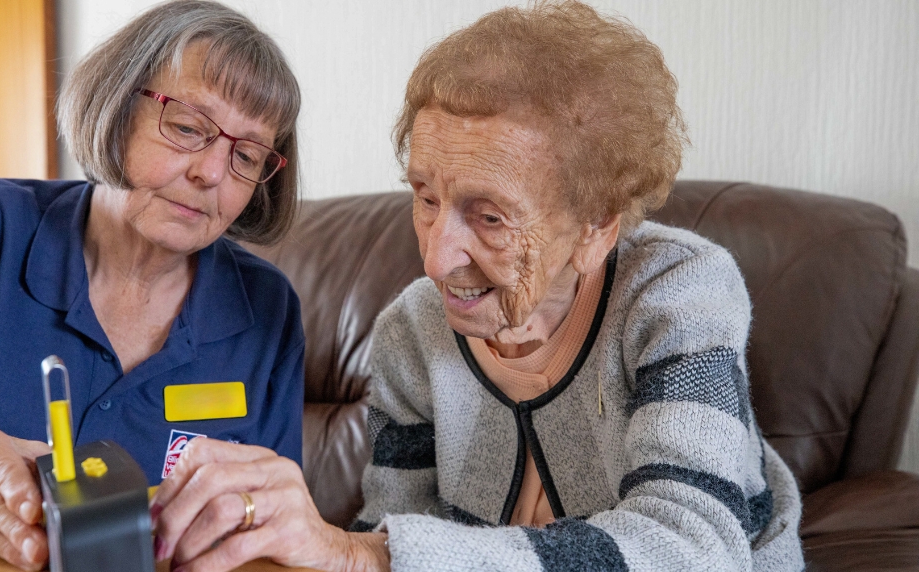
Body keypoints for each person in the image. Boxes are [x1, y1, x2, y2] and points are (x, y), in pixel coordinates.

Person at [150, 1, 805, 571]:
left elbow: (695, 549)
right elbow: (395, 522)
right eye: (426, 198)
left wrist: (364, 555)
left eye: (489, 217)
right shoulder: (414, 328)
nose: (437, 260)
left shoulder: (676, 294)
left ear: (595, 225)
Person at [0, 1, 303, 570]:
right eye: (186, 127)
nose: (212, 174)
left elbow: (268, 531)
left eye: (246, 155)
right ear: (117, 105)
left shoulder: (267, 311)